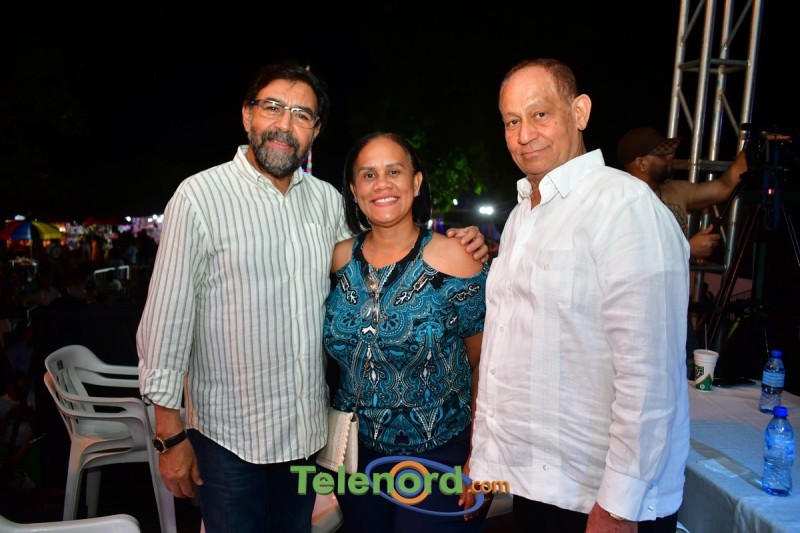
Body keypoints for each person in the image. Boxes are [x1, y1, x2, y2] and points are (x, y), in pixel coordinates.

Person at [136, 63, 488, 533]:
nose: (285, 124)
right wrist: (168, 435)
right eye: (272, 107)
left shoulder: (324, 203)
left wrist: (465, 242)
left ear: (315, 130)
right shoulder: (199, 197)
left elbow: (390, 239)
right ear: (247, 115)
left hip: (307, 438)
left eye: (301, 114)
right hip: (230, 439)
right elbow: (166, 323)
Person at [468, 58, 690, 533]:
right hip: (537, 487)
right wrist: (484, 460)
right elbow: (505, 355)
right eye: (512, 121)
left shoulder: (625, 206)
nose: (525, 134)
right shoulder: (521, 216)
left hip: (601, 502)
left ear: (580, 112)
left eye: (540, 114)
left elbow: (650, 376)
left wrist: (618, 508)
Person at [322, 132, 489, 532]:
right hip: (354, 455)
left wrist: (481, 454)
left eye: (394, 172)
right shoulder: (336, 259)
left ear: (415, 183)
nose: (381, 184)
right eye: (368, 175)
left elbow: (485, 363)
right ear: (354, 190)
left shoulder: (459, 258)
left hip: (439, 453)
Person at [616, 126, 749, 262]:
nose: (671, 155)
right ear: (641, 163)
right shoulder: (621, 202)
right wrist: (688, 249)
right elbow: (629, 258)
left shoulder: (675, 190)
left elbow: (725, 186)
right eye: (662, 154)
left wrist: (750, 150)